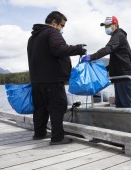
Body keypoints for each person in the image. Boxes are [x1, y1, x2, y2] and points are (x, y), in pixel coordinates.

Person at [27, 11, 87, 145]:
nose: (62, 29)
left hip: (36, 81)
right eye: (62, 25)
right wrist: (78, 49)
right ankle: (57, 138)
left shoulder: (33, 37)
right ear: (54, 22)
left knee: (40, 108)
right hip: (52, 80)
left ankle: (39, 133)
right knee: (57, 107)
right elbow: (59, 49)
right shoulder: (52, 33)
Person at [82, 16, 131, 108]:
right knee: (119, 105)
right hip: (119, 77)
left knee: (127, 106)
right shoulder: (117, 36)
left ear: (115, 25)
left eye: (107, 26)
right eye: (104, 26)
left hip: (124, 76)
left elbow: (108, 48)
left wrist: (91, 57)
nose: (106, 28)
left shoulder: (118, 35)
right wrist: (102, 69)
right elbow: (117, 61)